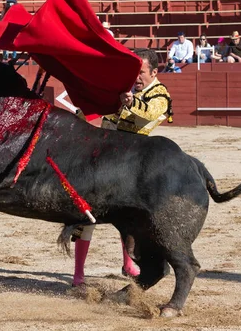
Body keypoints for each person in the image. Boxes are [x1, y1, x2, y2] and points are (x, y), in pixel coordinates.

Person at [72, 48, 173, 287]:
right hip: (104, 157)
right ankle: (78, 275)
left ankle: (129, 264)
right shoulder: (124, 87)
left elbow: (150, 112)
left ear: (155, 72)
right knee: (86, 213)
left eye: (141, 73)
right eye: (134, 72)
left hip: (130, 165)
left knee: (128, 217)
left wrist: (130, 101)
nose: (136, 78)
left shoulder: (160, 95)